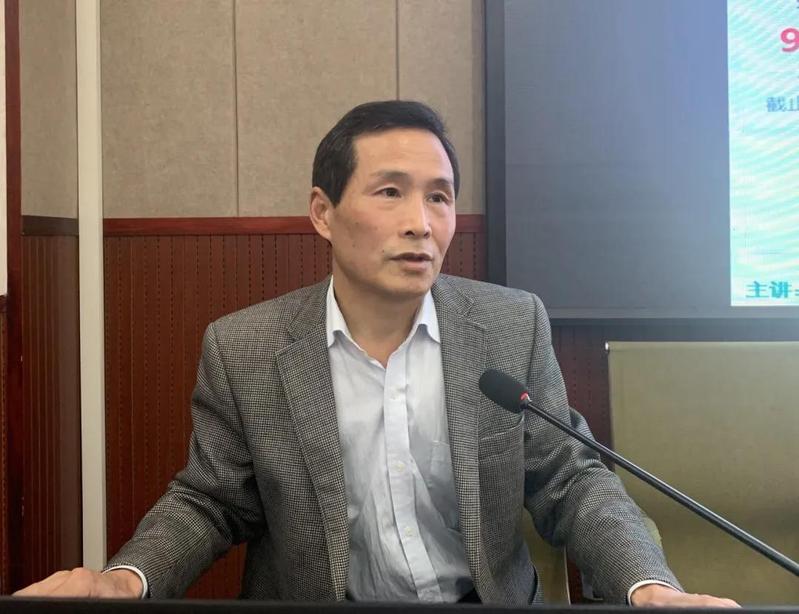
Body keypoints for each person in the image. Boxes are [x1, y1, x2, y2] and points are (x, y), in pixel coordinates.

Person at [15, 101, 738, 607]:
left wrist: (650, 586)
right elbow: (210, 501)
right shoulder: (245, 347)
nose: (420, 223)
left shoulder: (509, 324)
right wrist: (126, 579)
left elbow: (570, 480)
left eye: (440, 198)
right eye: (390, 192)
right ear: (323, 213)